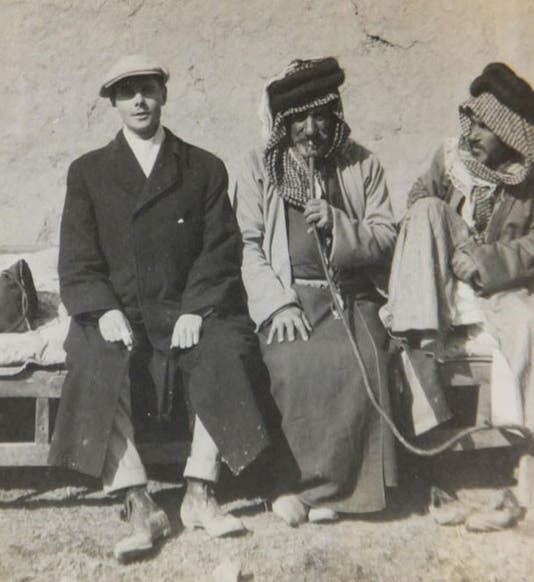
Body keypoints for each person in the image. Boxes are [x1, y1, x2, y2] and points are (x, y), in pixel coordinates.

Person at [48, 55, 270, 561]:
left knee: (225, 347)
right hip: (121, 311)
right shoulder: (87, 173)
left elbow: (221, 250)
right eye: (127, 93)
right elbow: (78, 259)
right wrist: (102, 309)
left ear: (164, 95)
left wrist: (197, 308)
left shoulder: (204, 167)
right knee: (96, 355)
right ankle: (137, 498)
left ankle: (200, 492)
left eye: (147, 89)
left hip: (185, 307)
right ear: (114, 104)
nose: (140, 101)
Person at [235, 57, 398, 526]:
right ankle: (289, 487)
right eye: (299, 119)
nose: (311, 129)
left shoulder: (361, 164)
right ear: (284, 123)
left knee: (363, 360)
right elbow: (246, 246)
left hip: (349, 295)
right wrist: (278, 303)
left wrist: (340, 225)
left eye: (320, 116)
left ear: (335, 116)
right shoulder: (258, 167)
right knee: (290, 361)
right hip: (289, 297)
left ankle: (344, 493)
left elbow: (386, 235)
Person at [382, 62, 534, 528]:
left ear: (511, 134)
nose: (474, 134)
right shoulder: (448, 159)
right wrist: (454, 250)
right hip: (440, 288)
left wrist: (486, 261)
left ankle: (520, 471)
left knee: (528, 326)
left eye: (487, 127)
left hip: (497, 292)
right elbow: (416, 210)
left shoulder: (528, 179)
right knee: (428, 208)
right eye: (473, 121)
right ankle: (419, 340)